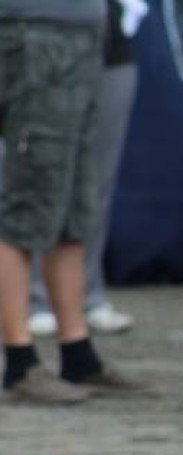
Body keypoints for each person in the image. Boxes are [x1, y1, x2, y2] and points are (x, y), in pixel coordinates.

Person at [0, 0, 142, 404]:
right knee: (28, 195)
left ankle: (77, 352)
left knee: (75, 201)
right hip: (33, 34)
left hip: (81, 33)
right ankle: (19, 359)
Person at [26, 0, 141, 339]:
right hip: (40, 45)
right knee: (37, 180)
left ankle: (89, 296)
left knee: (95, 185)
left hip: (109, 48)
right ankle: (36, 300)